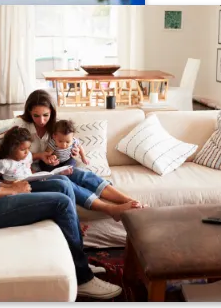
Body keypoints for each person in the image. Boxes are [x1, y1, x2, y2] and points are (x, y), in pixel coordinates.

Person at [0, 93, 123, 299]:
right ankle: (83, 278)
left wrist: (8, 184)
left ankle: (78, 261)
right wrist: (11, 190)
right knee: (62, 203)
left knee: (63, 183)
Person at [20, 89, 146, 221]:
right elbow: (14, 156)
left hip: (56, 168)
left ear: (52, 111)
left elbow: (70, 144)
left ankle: (131, 201)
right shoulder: (22, 128)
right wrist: (40, 155)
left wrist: (72, 152)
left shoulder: (56, 127)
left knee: (82, 175)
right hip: (34, 174)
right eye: (36, 116)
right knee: (66, 183)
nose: (41, 120)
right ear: (29, 112)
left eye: (46, 115)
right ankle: (111, 210)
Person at [0, 126, 72, 182]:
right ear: (11, 148)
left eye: (28, 148)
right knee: (61, 183)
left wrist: (38, 175)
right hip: (19, 189)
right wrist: (8, 184)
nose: (27, 152)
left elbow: (28, 169)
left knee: (63, 179)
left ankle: (60, 174)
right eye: (23, 149)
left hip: (32, 182)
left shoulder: (28, 156)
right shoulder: (4, 163)